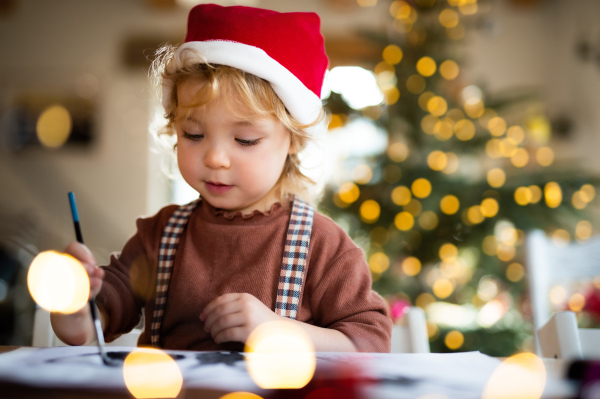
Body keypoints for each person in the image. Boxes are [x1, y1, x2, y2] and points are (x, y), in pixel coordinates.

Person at [51, 3, 392, 353]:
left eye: (244, 140)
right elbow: (88, 327)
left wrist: (280, 331)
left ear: (293, 141)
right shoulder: (160, 236)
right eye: (194, 135)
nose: (214, 157)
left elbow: (371, 342)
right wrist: (75, 305)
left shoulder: (323, 246)